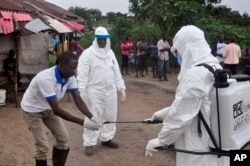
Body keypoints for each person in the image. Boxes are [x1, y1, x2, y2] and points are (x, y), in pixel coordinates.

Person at [144, 25, 229, 166]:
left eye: (179, 51)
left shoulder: (195, 74)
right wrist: (163, 114)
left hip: (199, 147)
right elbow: (197, 104)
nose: (178, 56)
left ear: (188, 48)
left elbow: (181, 116)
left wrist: (162, 140)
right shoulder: (215, 66)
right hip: (216, 143)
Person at [21, 51, 100, 166]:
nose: (74, 71)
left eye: (75, 68)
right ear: (62, 65)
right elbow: (57, 110)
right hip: (32, 111)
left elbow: (78, 99)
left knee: (63, 139)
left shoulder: (70, 77)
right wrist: (83, 122)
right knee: (42, 146)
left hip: (48, 109)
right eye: (72, 68)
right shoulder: (46, 78)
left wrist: (92, 117)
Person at [77, 26, 126, 156]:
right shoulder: (88, 54)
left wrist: (121, 87)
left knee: (110, 115)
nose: (103, 42)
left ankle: (106, 138)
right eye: (100, 40)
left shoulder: (110, 53)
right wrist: (81, 89)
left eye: (105, 40)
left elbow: (116, 71)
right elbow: (82, 73)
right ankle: (89, 143)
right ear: (96, 39)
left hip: (110, 90)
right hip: (94, 90)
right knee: (93, 116)